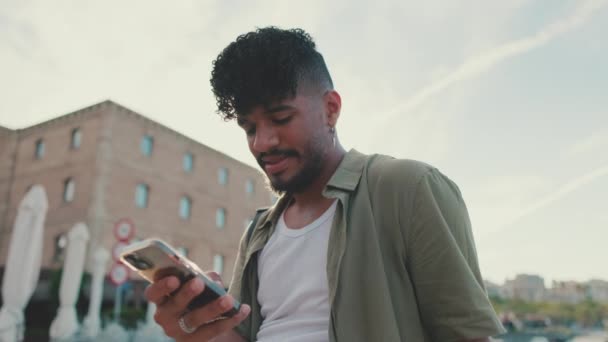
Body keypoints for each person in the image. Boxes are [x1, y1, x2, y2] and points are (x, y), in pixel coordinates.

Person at [145, 27, 506, 342]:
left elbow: (469, 337)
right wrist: (195, 329)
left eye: (280, 118)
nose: (261, 143)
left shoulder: (406, 188)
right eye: (249, 128)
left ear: (331, 108)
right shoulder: (258, 232)